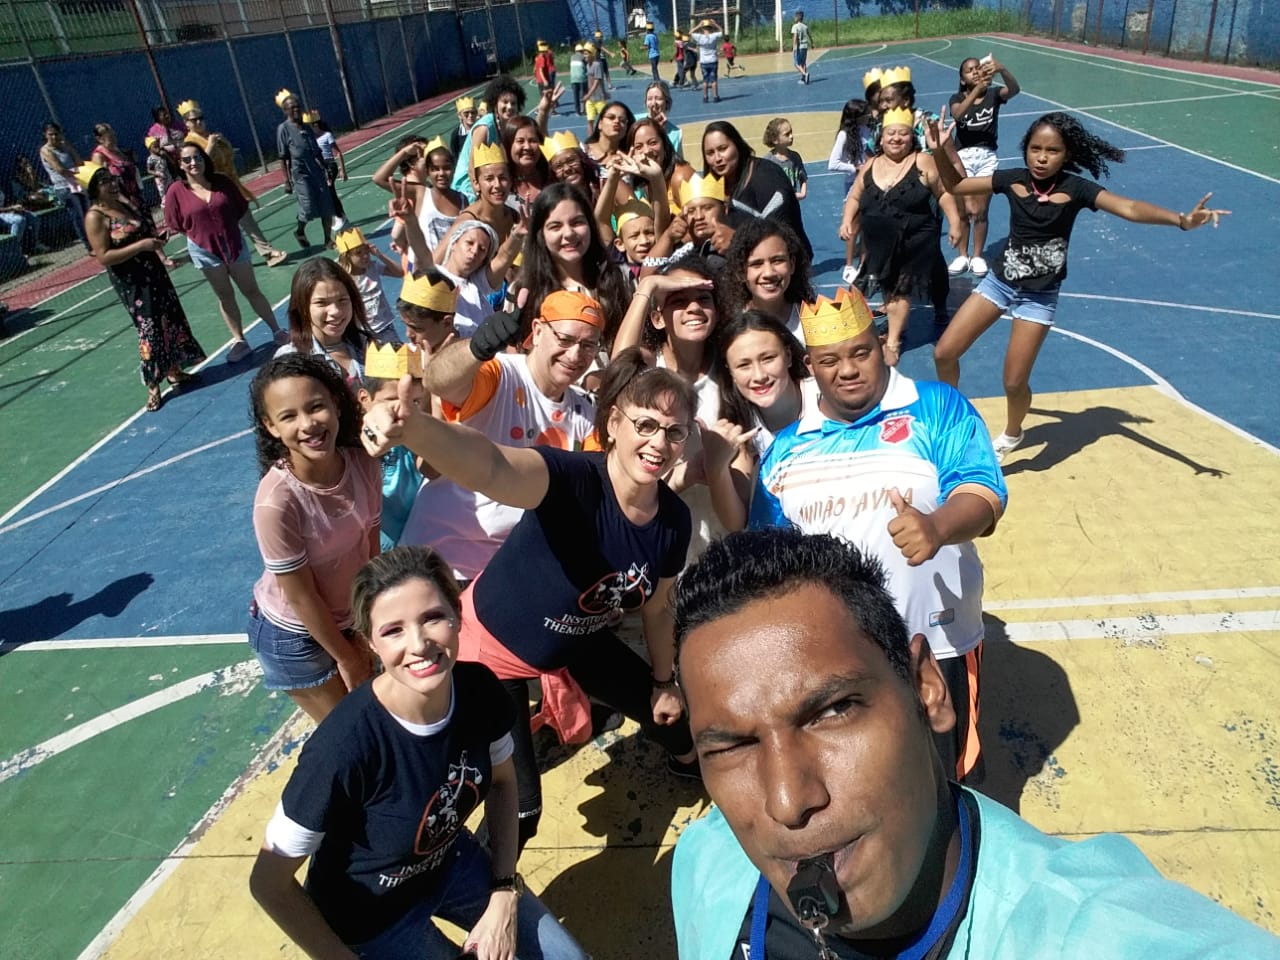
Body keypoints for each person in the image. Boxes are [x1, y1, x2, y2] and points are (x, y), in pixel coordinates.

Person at [669, 527, 1280, 960]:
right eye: (731, 747)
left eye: (832, 711)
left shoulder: (1086, 931)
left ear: (928, 689)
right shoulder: (704, 862)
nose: (786, 801)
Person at [362, 348, 700, 850]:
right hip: (492, 656)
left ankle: (692, 771)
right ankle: (481, 900)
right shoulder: (571, 481)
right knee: (519, 812)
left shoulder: (672, 520)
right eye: (645, 425)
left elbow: (657, 608)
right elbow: (492, 464)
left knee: (677, 726)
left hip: (576, 645)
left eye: (674, 432)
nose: (658, 443)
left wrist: (663, 681)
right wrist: (415, 428)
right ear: (614, 423)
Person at [249, 545, 590, 960]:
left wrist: (503, 891)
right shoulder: (344, 747)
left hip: (450, 862)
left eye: (432, 617)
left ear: (457, 616)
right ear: (370, 643)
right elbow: (268, 882)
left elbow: (502, 782)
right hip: (370, 918)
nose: (419, 644)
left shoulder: (480, 690)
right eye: (393, 630)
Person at [750, 287, 1006, 781]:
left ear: (882, 345)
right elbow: (770, 556)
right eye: (830, 360)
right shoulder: (784, 449)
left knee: (945, 781)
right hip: (834, 660)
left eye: (860, 353)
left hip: (937, 641)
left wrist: (937, 527)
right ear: (809, 366)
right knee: (857, 782)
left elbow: (984, 493)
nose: (847, 369)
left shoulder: (936, 406)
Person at [927, 111, 1229, 462]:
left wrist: (1180, 220)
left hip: (1038, 297)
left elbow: (1129, 207)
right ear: (1025, 150)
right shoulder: (1011, 179)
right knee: (944, 353)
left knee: (1013, 383)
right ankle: (950, 420)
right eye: (1035, 148)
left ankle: (1013, 432)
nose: (1041, 157)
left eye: (1052, 151)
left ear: (1066, 155)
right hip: (1000, 283)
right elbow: (957, 187)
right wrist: (940, 150)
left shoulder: (1077, 189)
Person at [398, 290, 599, 582]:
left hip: (503, 573)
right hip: (437, 563)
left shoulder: (585, 411)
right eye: (565, 339)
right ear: (538, 331)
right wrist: (477, 348)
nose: (575, 355)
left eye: (588, 345)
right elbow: (439, 382)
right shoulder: (500, 373)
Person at [245, 353, 379, 723]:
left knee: (380, 718)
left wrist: (367, 621)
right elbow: (300, 595)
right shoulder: (277, 502)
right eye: (288, 416)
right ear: (271, 427)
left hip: (347, 618)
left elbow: (370, 550)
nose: (307, 424)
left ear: (336, 404)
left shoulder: (364, 463)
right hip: (295, 636)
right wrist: (348, 656)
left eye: (316, 407)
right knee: (352, 734)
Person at [839, 107, 961, 364]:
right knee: (884, 285)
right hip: (878, 242)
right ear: (880, 139)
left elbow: (943, 193)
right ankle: (894, 326)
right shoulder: (871, 164)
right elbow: (855, 197)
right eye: (890, 133)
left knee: (900, 289)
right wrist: (846, 221)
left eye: (903, 134)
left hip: (915, 240)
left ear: (911, 137)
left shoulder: (922, 162)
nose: (896, 138)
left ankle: (893, 342)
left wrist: (955, 223)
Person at [81, 161, 205, 411]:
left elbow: (140, 232)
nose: (112, 183)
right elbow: (104, 256)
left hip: (153, 272)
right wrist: (140, 246)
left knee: (170, 318)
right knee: (148, 328)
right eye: (104, 181)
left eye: (112, 178)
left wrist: (155, 242)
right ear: (94, 188)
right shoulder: (95, 217)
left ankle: (175, 371)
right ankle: (153, 386)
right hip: (132, 282)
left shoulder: (125, 204)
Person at [166, 142, 290, 361]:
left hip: (233, 243)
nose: (193, 163)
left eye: (197, 157)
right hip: (204, 250)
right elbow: (174, 222)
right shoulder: (176, 191)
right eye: (187, 159)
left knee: (251, 289)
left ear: (204, 159)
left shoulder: (222, 181)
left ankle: (277, 331)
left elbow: (240, 208)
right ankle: (240, 341)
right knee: (225, 295)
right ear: (180, 164)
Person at [703, 310, 814, 530]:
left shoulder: (824, 400)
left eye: (768, 358)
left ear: (789, 356)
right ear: (730, 372)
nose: (759, 375)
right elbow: (736, 523)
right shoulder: (741, 427)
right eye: (743, 365)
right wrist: (716, 467)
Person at [515, 182, 632, 349]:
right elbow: (515, 355)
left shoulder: (620, 279)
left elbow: (642, 347)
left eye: (577, 222)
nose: (569, 234)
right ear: (541, 234)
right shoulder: (524, 291)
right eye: (555, 226)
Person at [178, 98, 289, 267]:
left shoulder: (210, 136)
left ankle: (267, 252)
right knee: (226, 227)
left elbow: (228, 155)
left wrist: (223, 142)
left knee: (245, 216)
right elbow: (199, 162)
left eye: (201, 118)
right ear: (187, 123)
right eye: (194, 120)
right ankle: (216, 257)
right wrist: (211, 145)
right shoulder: (191, 142)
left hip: (230, 184)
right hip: (213, 189)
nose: (199, 122)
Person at [947, 55, 1020, 278]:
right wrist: (976, 91)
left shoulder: (994, 95)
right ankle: (962, 255)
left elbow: (1015, 89)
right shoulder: (957, 98)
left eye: (978, 68)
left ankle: (977, 255)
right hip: (963, 157)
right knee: (963, 210)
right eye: (970, 70)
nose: (975, 72)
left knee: (980, 210)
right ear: (962, 79)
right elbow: (958, 115)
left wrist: (1002, 68)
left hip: (986, 156)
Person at [703, 120, 811, 258]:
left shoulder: (767, 179)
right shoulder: (712, 185)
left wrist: (736, 240)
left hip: (783, 266)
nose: (717, 158)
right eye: (710, 153)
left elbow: (781, 235)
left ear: (737, 145)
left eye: (723, 149)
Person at [277, 256, 376, 386]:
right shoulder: (291, 360)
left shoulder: (368, 346)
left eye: (342, 300)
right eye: (321, 303)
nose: (335, 311)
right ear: (303, 307)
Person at [722, 218, 814, 343]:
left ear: (792, 264)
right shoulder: (729, 325)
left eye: (777, 260)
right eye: (757, 264)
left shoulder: (813, 319)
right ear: (741, 272)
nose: (769, 273)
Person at [276, 89, 335, 249]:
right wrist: (287, 181)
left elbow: (316, 150)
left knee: (326, 205)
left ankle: (328, 239)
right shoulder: (283, 129)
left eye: (298, 107)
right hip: (300, 173)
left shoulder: (307, 127)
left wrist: (325, 166)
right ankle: (300, 231)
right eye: (292, 108)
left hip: (316, 171)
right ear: (285, 110)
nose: (296, 110)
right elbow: (283, 157)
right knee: (308, 207)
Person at [829, 98, 876, 284]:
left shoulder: (869, 130)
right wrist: (854, 169)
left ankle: (864, 265)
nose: (868, 115)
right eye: (864, 113)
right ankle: (849, 265)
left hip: (871, 182)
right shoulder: (844, 135)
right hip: (854, 184)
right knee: (853, 226)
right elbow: (833, 163)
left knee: (866, 228)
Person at [336, 227, 403, 346]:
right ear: (347, 257)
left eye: (366, 251)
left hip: (385, 326)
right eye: (358, 253)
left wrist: (380, 255)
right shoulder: (343, 278)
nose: (365, 256)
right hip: (364, 332)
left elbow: (400, 273)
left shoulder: (372, 267)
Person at [39, 122, 91, 250]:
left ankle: (95, 239)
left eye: (56, 134)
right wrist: (76, 172)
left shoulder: (64, 146)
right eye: (51, 135)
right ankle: (88, 245)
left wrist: (69, 147)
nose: (54, 137)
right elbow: (60, 169)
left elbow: (79, 162)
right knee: (78, 216)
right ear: (45, 135)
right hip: (64, 187)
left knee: (89, 213)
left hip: (77, 183)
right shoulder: (45, 150)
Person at [306, 111, 348, 230]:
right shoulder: (310, 139)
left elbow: (338, 153)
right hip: (319, 168)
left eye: (309, 126)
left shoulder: (327, 135)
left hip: (329, 165)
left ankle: (339, 215)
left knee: (329, 190)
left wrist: (342, 170)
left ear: (315, 125)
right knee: (328, 193)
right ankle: (340, 214)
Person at [504, 115, 549, 206]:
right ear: (509, 145)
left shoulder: (552, 177)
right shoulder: (501, 185)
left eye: (533, 141)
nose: (527, 147)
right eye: (520, 141)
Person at [762, 117, 807, 201]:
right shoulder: (768, 161)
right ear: (775, 140)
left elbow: (802, 176)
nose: (791, 136)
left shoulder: (795, 157)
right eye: (787, 134)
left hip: (792, 204)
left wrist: (803, 193)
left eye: (791, 132)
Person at [643, 80, 683, 160]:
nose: (654, 103)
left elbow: (679, 163)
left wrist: (662, 133)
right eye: (650, 99)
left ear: (667, 102)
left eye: (658, 98)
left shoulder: (675, 133)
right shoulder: (635, 123)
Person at [692, 19, 723, 103]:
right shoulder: (714, 36)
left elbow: (690, 33)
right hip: (713, 60)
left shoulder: (699, 37)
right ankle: (716, 96)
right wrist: (715, 23)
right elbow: (721, 31)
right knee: (714, 80)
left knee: (705, 80)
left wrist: (698, 25)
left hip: (704, 62)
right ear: (711, 28)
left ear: (703, 28)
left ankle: (705, 97)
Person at [583, 43, 608, 136]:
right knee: (590, 121)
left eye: (586, 53)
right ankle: (591, 143)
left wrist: (588, 95)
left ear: (592, 54)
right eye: (584, 53)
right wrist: (589, 96)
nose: (584, 55)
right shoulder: (587, 66)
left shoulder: (597, 65)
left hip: (599, 99)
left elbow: (597, 82)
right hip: (590, 100)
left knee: (604, 120)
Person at [790, 10, 811, 84]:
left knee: (796, 63)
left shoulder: (795, 26)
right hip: (805, 46)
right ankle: (803, 79)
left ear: (797, 18)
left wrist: (794, 46)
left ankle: (805, 74)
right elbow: (809, 35)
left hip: (799, 47)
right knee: (803, 62)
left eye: (795, 17)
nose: (794, 18)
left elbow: (795, 37)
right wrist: (812, 43)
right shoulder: (805, 26)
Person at [569, 45, 588, 116]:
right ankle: (583, 110)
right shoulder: (583, 57)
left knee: (575, 96)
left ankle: (577, 111)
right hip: (581, 78)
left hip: (573, 78)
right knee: (583, 95)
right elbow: (586, 66)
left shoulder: (572, 57)